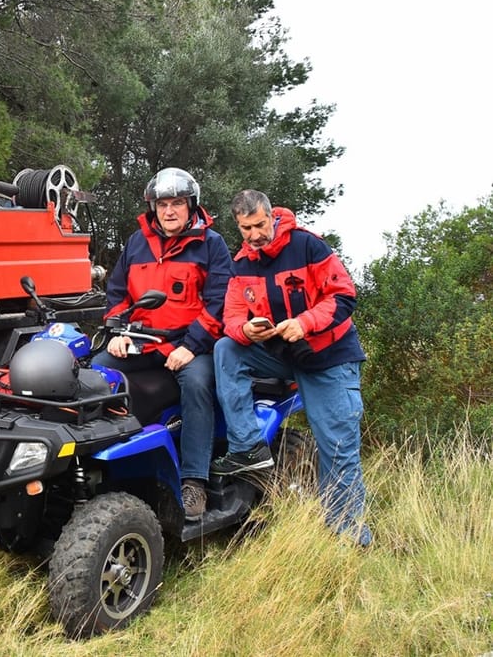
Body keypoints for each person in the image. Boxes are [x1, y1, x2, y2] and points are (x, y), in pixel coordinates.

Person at [210, 189, 371, 546]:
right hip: (281, 355)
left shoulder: (308, 246)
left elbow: (344, 296)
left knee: (337, 447)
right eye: (245, 228)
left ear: (272, 216)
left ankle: (347, 537)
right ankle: (248, 447)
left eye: (259, 225)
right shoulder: (242, 263)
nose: (254, 235)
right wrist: (246, 331)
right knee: (227, 349)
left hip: (328, 358)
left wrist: (306, 323)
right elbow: (231, 318)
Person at [91, 168, 233, 520]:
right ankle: (97, 464)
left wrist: (193, 345)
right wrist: (119, 332)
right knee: (95, 373)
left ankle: (194, 480)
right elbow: (117, 294)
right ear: (154, 207)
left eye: (177, 204)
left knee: (199, 386)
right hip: (141, 341)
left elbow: (220, 302)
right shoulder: (136, 243)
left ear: (191, 206)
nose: (169, 211)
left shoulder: (211, 245)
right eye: (163, 204)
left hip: (190, 344)